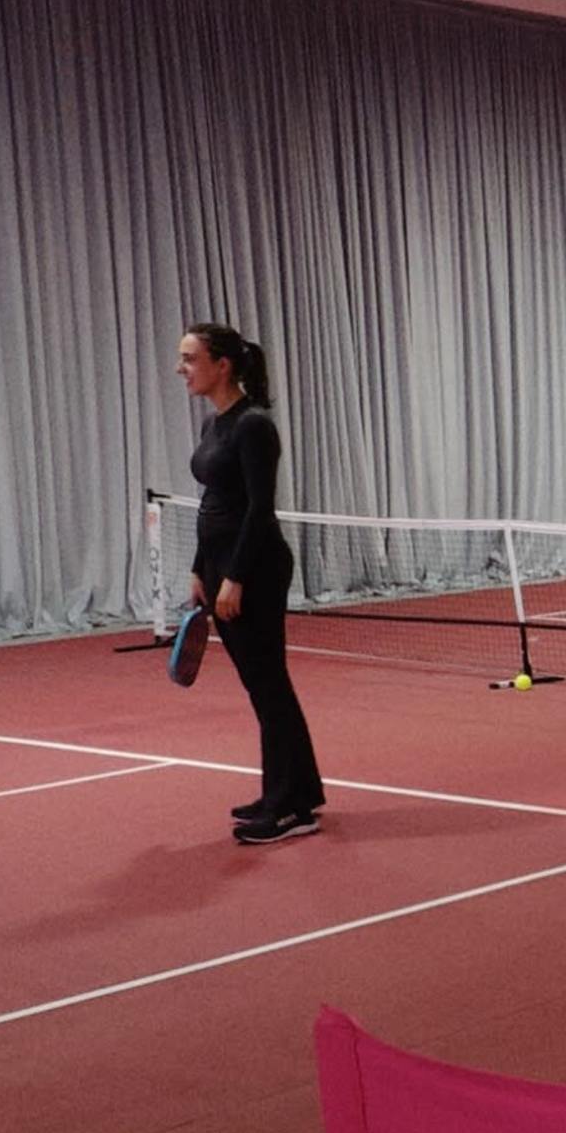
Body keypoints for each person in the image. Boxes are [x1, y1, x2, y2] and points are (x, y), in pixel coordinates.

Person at [178, 320, 326, 844]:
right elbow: (213, 503)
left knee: (268, 686)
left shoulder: (254, 426)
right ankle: (292, 791)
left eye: (191, 359)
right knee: (264, 687)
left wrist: (235, 577)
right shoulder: (212, 426)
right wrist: (201, 568)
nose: (182, 369)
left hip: (256, 568)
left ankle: (292, 809)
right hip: (221, 567)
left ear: (223, 365)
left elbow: (260, 510)